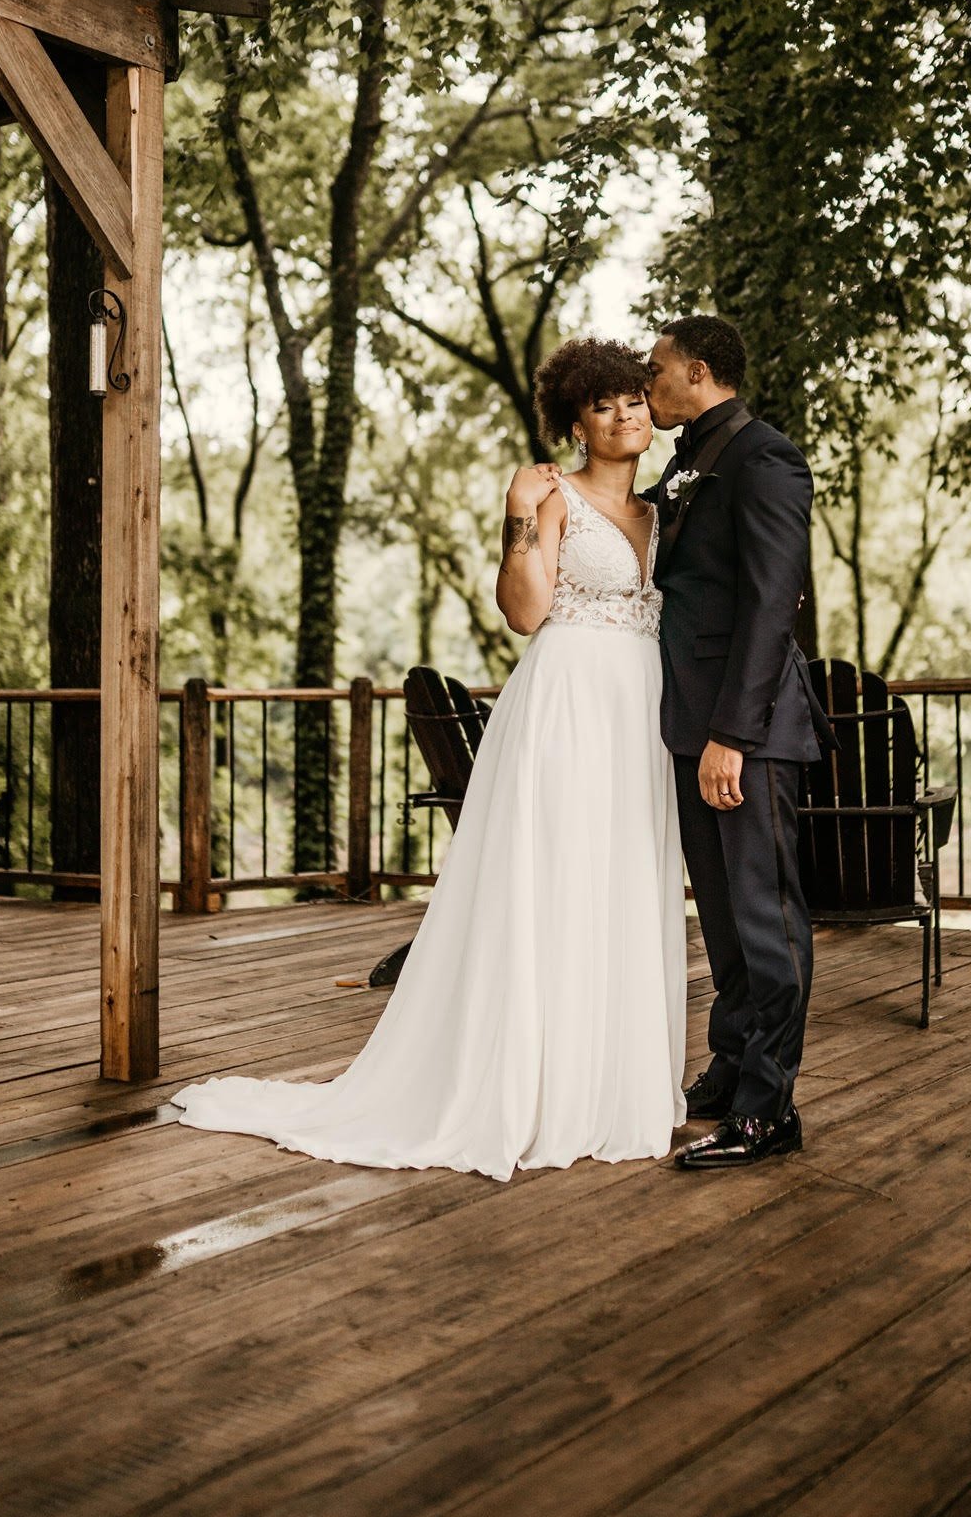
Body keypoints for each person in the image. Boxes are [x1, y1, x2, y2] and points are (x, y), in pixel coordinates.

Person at [171, 338, 686, 1182]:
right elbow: (524, 613)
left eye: (634, 398)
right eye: (603, 405)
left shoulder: (666, 510)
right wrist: (518, 517)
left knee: (619, 878)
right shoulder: (552, 497)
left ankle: (606, 1083)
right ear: (577, 424)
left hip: (639, 707)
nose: (625, 414)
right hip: (565, 702)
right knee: (550, 880)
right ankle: (528, 1086)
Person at [644, 315, 832, 1169]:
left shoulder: (764, 458)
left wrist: (730, 736)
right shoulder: (687, 460)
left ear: (700, 371)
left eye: (657, 371)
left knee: (766, 920)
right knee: (721, 918)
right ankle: (727, 1070)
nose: (649, 385)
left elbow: (769, 602)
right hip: (689, 723)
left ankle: (768, 1111)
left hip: (742, 730)